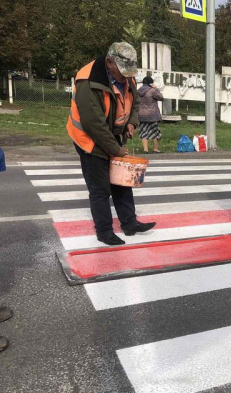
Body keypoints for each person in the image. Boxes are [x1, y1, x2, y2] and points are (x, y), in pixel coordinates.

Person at [66, 42, 156, 246]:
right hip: (89, 139)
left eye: (129, 73)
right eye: (123, 73)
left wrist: (132, 123)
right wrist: (116, 151)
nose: (126, 77)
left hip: (113, 135)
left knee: (122, 181)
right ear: (109, 62)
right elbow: (93, 124)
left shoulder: (126, 74)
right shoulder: (88, 80)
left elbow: (135, 102)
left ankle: (129, 223)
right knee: (100, 188)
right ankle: (104, 231)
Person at [138, 76, 164, 153]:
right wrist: (156, 89)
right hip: (152, 115)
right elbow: (161, 98)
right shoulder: (152, 91)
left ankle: (145, 149)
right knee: (154, 131)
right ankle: (155, 149)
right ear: (150, 83)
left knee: (143, 131)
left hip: (142, 114)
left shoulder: (138, 91)